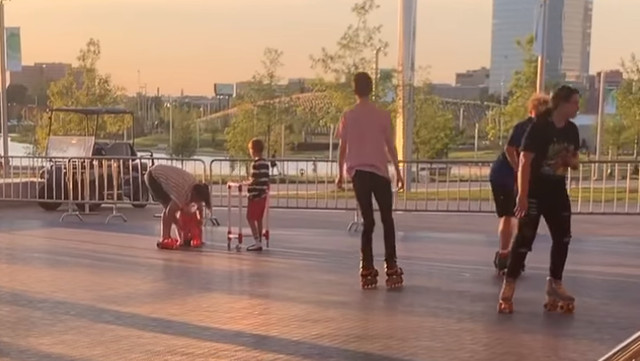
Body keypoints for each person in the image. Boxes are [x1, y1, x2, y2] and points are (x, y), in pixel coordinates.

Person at [498, 85, 581, 314]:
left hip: (557, 190)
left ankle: (555, 283)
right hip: (534, 191)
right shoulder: (539, 127)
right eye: (574, 102)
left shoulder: (572, 130)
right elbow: (524, 161)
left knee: (563, 237)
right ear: (562, 104)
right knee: (524, 240)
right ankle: (509, 285)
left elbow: (575, 161)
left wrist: (567, 161)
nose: (577, 107)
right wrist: (522, 196)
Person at [335, 71, 405, 289]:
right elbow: (390, 147)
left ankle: (367, 266)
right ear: (372, 89)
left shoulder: (348, 116)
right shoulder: (382, 115)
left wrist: (339, 173)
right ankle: (391, 264)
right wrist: (399, 172)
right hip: (380, 173)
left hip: (359, 175)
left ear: (354, 90)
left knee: (368, 221)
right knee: (387, 219)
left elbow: (342, 148)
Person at [489, 94, 550, 274]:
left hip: (518, 176)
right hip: (503, 175)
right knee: (509, 215)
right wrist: (518, 170)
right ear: (532, 111)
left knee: (519, 215)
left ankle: (511, 253)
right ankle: (504, 253)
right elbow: (510, 149)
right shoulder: (524, 127)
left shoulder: (543, 129)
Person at [145, 164, 212, 249]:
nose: (194, 203)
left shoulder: (196, 187)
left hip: (165, 175)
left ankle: (176, 237)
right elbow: (170, 212)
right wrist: (179, 224)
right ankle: (165, 238)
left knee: (176, 207)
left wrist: (200, 219)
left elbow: (199, 207)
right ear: (194, 194)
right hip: (154, 177)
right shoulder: (182, 193)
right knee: (168, 207)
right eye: (195, 200)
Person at [245, 138, 270, 251]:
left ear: (253, 150)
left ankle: (257, 241)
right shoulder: (266, 163)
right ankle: (260, 239)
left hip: (255, 196)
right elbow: (265, 179)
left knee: (250, 218)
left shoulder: (255, 164)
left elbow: (254, 180)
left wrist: (247, 186)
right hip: (263, 195)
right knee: (259, 218)